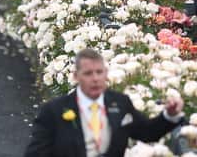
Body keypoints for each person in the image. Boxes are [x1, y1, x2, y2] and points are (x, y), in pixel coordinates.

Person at [24, 48, 184, 157]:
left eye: (99, 72)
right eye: (88, 73)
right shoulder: (53, 111)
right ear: (75, 76)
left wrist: (169, 115)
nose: (95, 79)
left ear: (106, 74)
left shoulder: (120, 103)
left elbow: (147, 132)